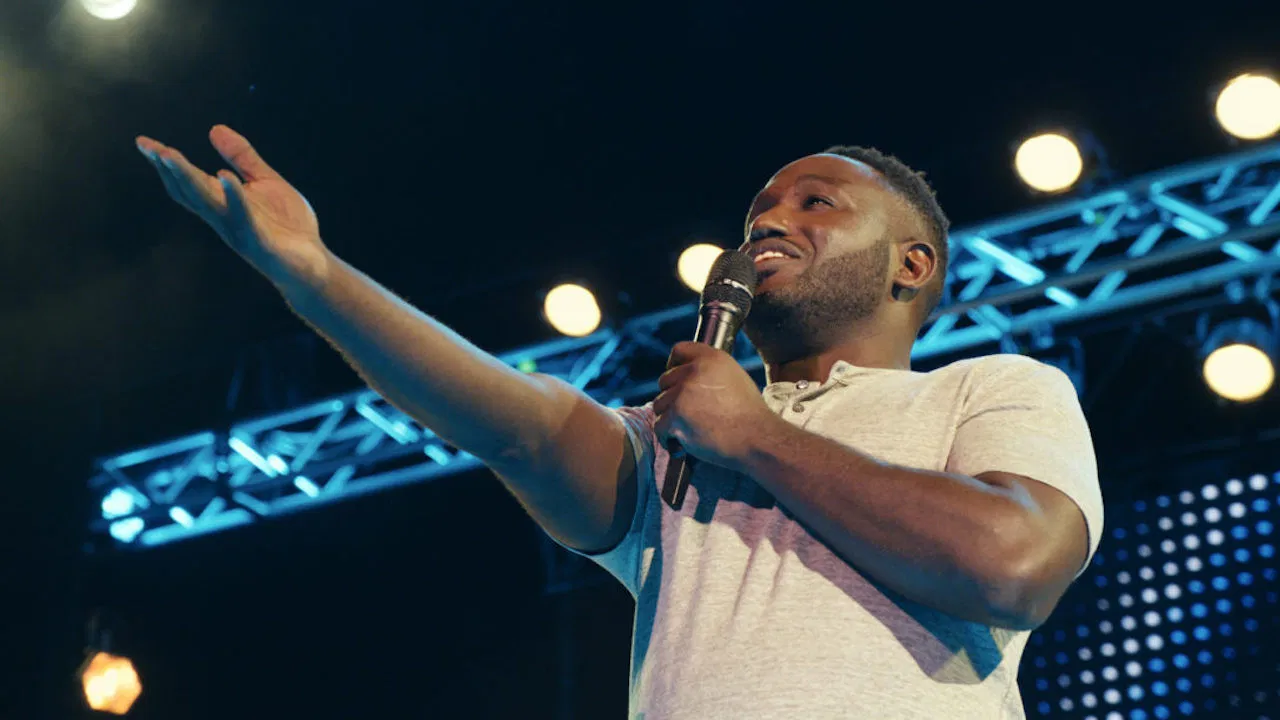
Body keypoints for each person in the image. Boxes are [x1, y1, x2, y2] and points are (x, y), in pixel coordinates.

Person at [135, 126, 1104, 719]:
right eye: (758, 212)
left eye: (816, 203)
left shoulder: (986, 388)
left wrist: (756, 436)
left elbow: (1011, 565)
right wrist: (313, 277)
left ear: (911, 264)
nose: (768, 223)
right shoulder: (675, 437)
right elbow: (512, 424)